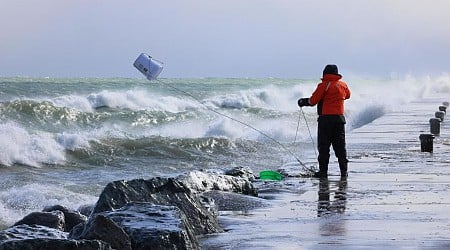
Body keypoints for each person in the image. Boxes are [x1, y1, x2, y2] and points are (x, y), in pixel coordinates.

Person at [297, 64, 351, 178]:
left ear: (325, 73)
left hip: (325, 120)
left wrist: (303, 101)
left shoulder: (324, 85)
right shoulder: (343, 85)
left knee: (324, 147)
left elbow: (313, 101)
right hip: (339, 120)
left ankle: (323, 172)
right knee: (340, 147)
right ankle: (344, 172)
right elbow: (348, 96)